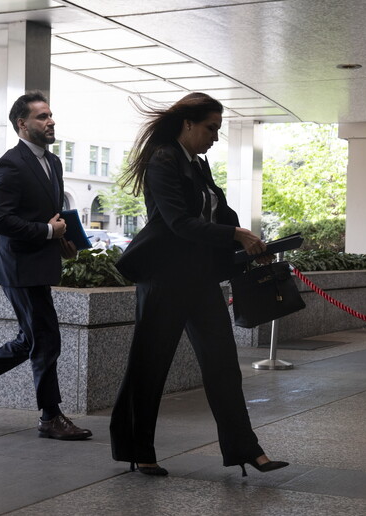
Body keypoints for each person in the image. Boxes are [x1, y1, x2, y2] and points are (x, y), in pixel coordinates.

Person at [109, 92, 288, 477]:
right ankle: (138, 450)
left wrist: (252, 246)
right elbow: (179, 223)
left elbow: (219, 215)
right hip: (164, 278)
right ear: (187, 124)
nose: (215, 137)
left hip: (200, 279)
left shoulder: (197, 165)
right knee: (150, 365)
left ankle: (246, 449)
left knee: (223, 365)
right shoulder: (163, 160)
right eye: (211, 128)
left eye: (218, 130)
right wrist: (235, 235)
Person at [0, 91, 91, 441]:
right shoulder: (9, 164)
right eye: (42, 116)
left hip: (40, 263)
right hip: (18, 265)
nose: (51, 121)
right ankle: (50, 417)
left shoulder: (53, 162)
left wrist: (64, 240)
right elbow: (0, 220)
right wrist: (47, 232)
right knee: (46, 339)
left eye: (50, 115)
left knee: (31, 340)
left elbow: (52, 215)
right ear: (22, 124)